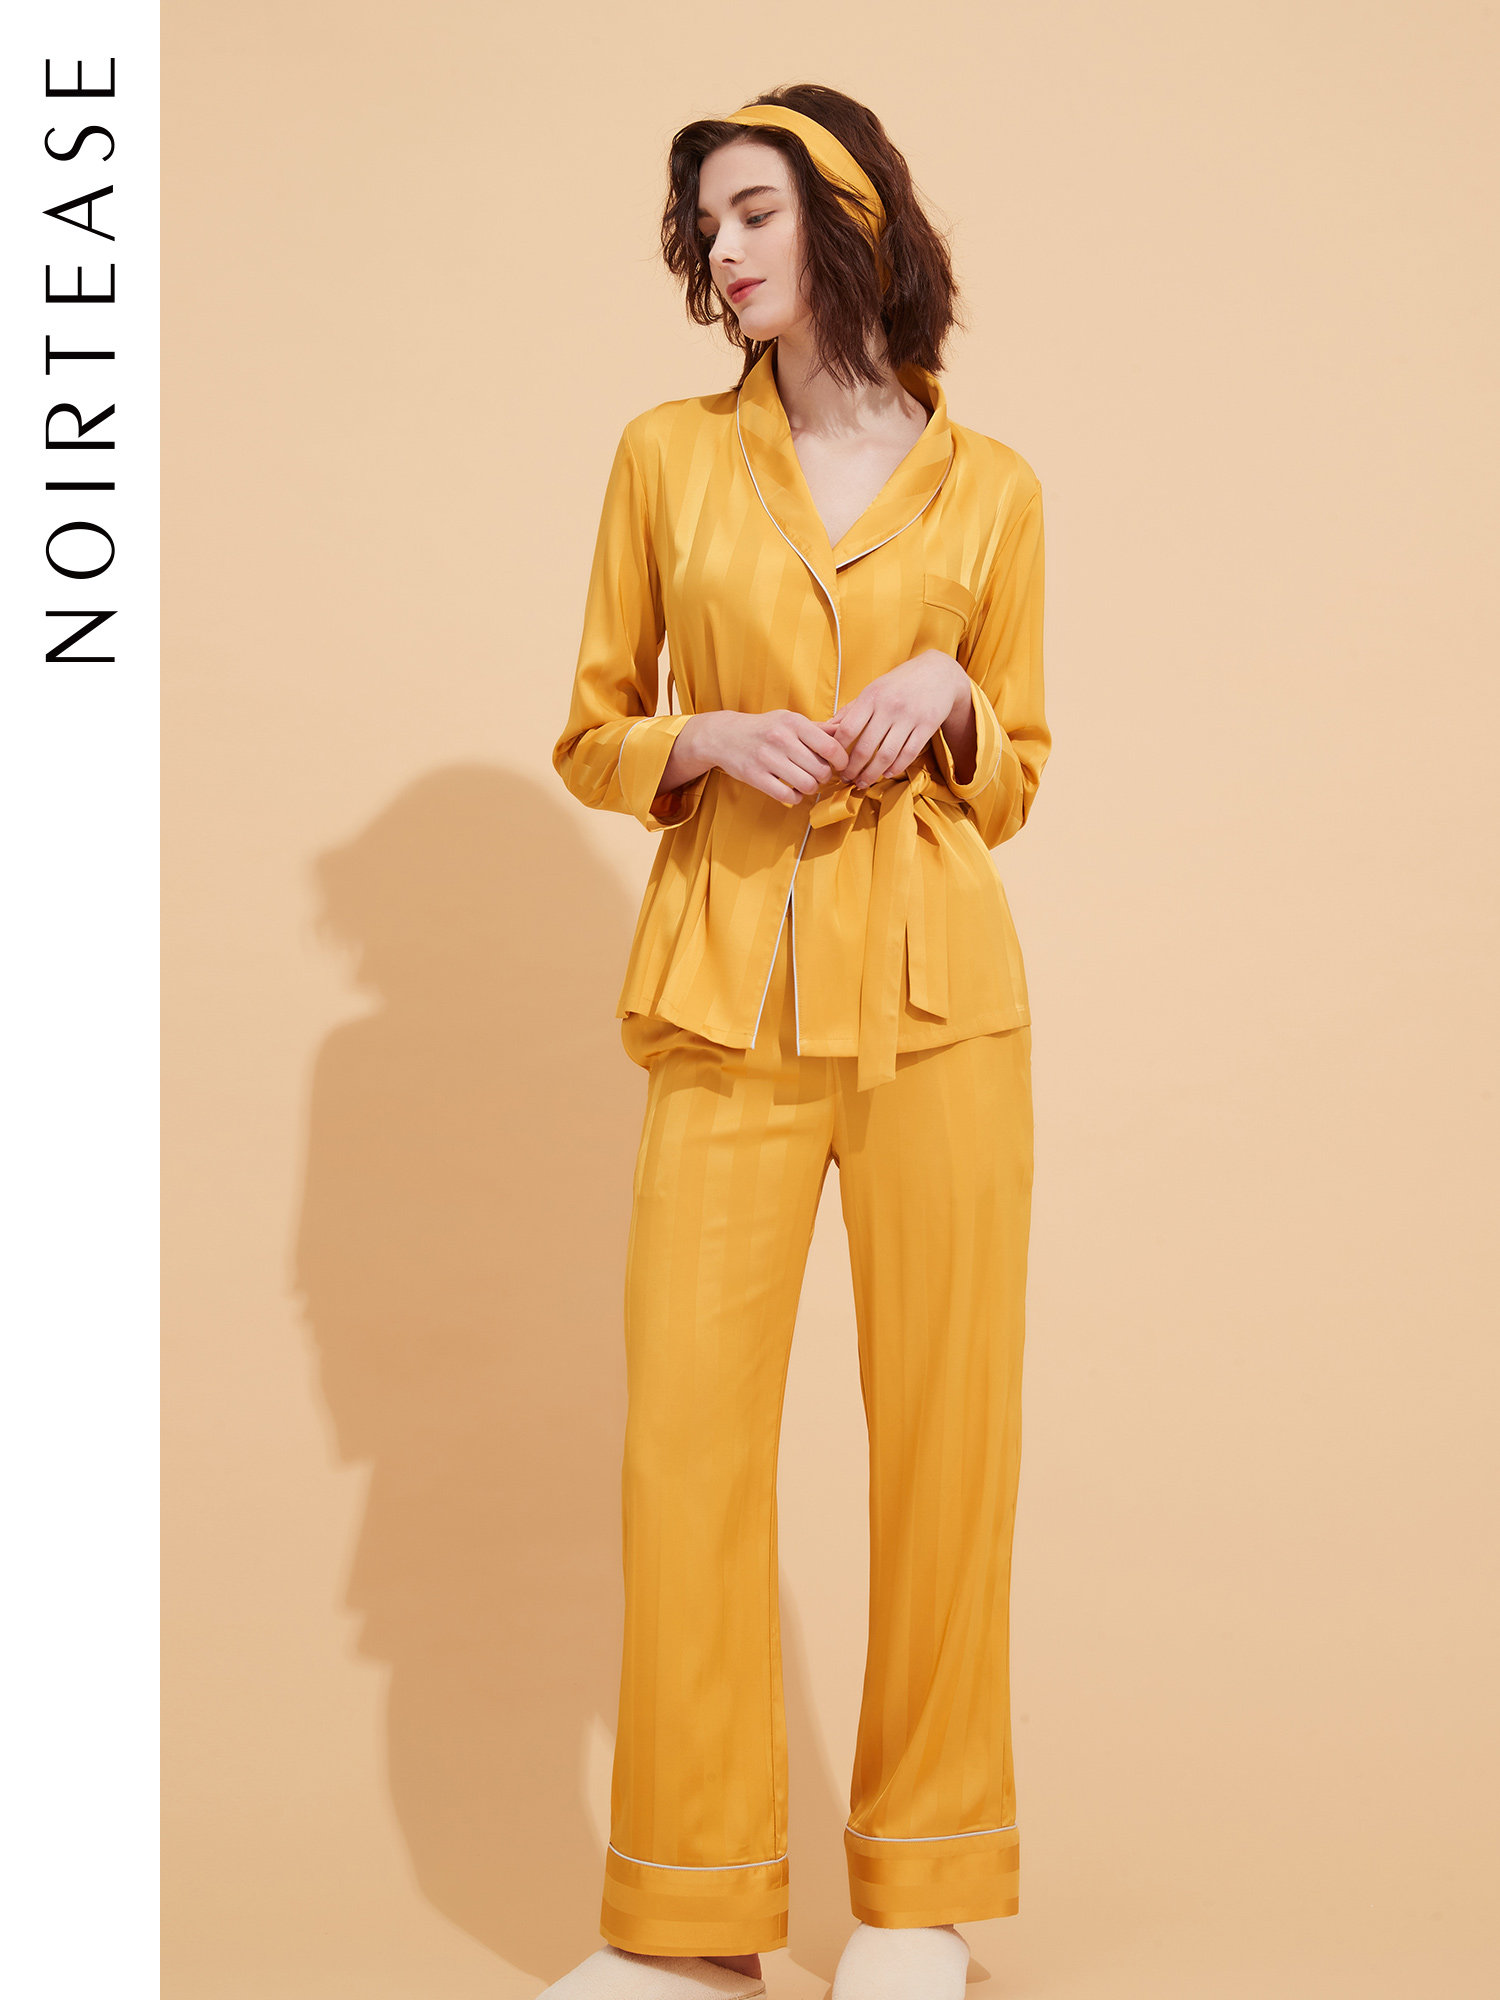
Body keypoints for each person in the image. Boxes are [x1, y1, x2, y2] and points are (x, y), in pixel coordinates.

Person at [546, 82, 1048, 2000]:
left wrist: (953, 700)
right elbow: (593, 727)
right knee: (687, 1443)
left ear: (847, 222)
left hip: (938, 1004)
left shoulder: (992, 487)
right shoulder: (665, 458)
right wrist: (701, 737)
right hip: (726, 989)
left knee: (947, 1441)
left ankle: (919, 1899)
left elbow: (1019, 771)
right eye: (707, 225)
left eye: (754, 212)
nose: (723, 249)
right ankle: (688, 1927)